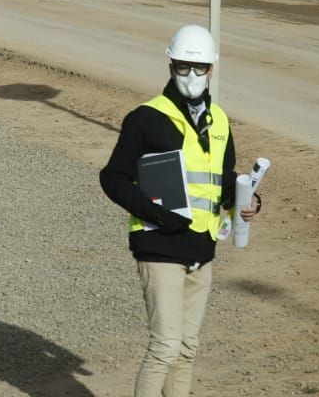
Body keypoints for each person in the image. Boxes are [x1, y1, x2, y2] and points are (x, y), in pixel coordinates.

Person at [99, 24, 262, 397]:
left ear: (211, 69)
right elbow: (114, 178)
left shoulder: (218, 120)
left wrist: (247, 201)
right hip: (159, 245)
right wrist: (157, 213)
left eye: (199, 68)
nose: (191, 75)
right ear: (170, 65)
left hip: (202, 248)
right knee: (165, 346)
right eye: (183, 67)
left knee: (187, 349)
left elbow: (221, 182)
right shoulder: (145, 118)